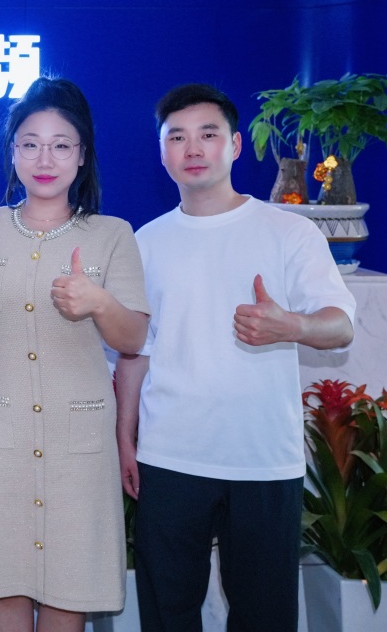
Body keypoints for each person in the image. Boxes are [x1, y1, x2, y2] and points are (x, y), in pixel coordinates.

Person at [115, 83, 355, 632]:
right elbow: (136, 352)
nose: (193, 148)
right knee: (167, 611)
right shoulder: (145, 242)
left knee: (264, 615)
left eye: (208, 134)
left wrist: (291, 325)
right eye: (177, 137)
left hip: (262, 457)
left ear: (236, 145)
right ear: (161, 152)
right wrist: (125, 438)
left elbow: (341, 325)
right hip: (170, 455)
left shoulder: (289, 231)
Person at [0, 77, 149, 632]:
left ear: (82, 156)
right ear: (12, 151)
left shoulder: (112, 234)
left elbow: (133, 339)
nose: (45, 159)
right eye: (30, 143)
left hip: (78, 444)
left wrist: (98, 301)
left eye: (61, 145)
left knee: (68, 586)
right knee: (4, 580)